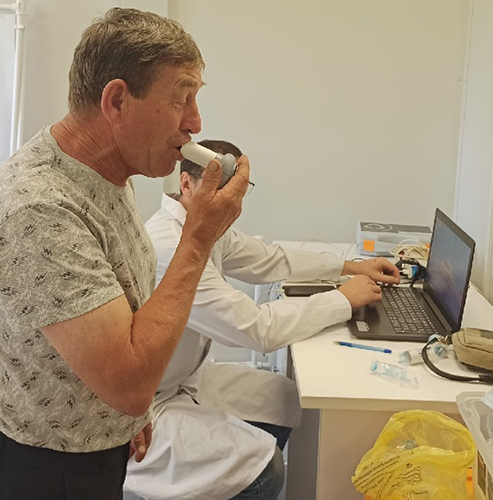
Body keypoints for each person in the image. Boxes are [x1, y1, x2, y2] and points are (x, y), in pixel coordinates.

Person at [0, 9, 250, 500]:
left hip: (98, 438)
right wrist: (197, 238)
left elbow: (119, 312)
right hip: (53, 466)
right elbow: (130, 383)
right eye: (181, 98)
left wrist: (126, 415)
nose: (195, 123)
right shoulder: (40, 207)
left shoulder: (107, 172)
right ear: (117, 100)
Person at [124, 140, 401, 500]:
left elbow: (269, 259)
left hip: (184, 380)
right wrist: (342, 300)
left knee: (283, 399)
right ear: (187, 184)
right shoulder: (169, 246)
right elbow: (257, 330)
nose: (231, 207)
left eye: (237, 194)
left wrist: (350, 267)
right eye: (222, 193)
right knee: (265, 467)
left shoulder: (205, 226)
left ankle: (219, 483)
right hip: (146, 410)